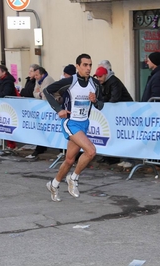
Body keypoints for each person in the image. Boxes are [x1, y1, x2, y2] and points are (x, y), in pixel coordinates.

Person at [43, 53, 104, 202]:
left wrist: (95, 100)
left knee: (69, 160)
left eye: (90, 65)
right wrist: (59, 110)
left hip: (84, 123)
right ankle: (73, 178)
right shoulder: (70, 81)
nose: (88, 68)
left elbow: (101, 105)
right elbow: (47, 91)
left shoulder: (95, 84)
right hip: (70, 123)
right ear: (77, 66)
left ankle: (54, 184)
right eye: (85, 65)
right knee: (91, 151)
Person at [94, 65, 134, 166]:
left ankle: (129, 160)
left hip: (125, 112)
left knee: (125, 136)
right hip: (118, 113)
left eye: (100, 77)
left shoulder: (113, 82)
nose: (98, 79)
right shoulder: (104, 83)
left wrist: (103, 103)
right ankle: (124, 158)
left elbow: (114, 98)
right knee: (120, 136)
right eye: (97, 77)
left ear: (105, 75)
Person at [25, 66, 56, 158]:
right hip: (43, 109)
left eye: (37, 75)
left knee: (53, 129)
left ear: (42, 74)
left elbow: (45, 96)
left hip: (50, 108)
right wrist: (39, 93)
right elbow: (35, 93)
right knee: (43, 129)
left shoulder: (48, 80)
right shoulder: (38, 80)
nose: (35, 77)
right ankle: (40, 148)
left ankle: (61, 150)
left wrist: (40, 93)